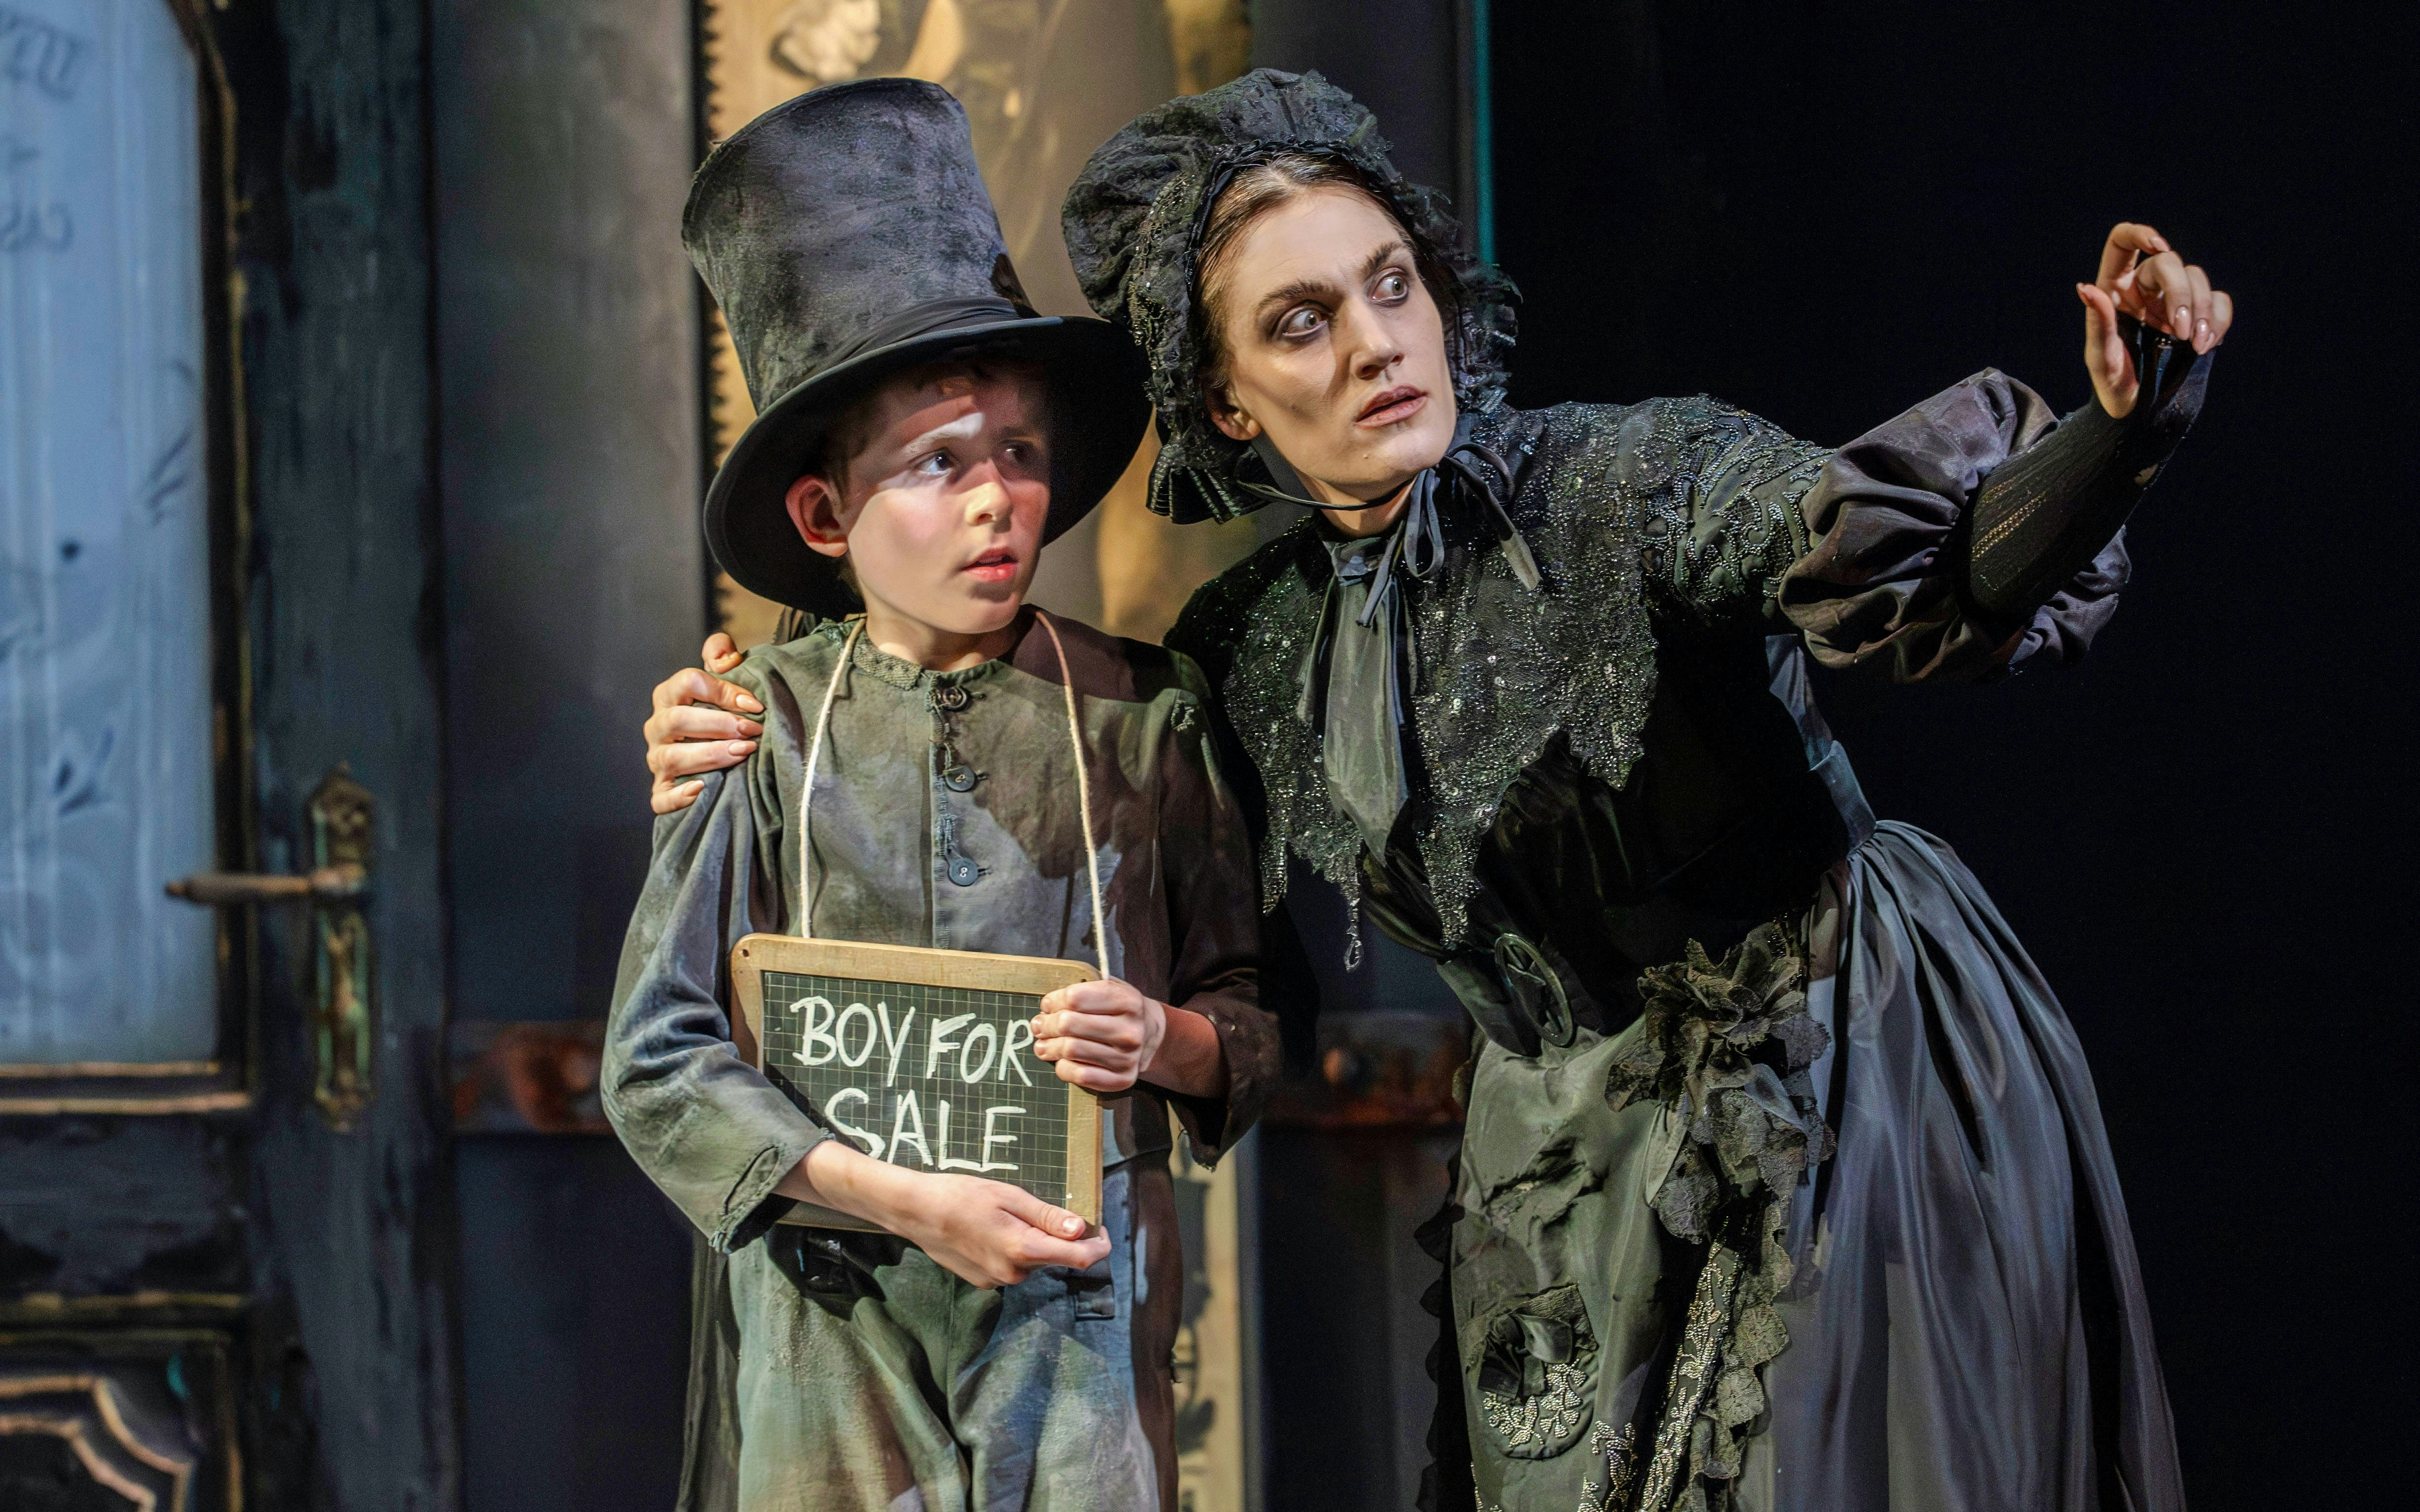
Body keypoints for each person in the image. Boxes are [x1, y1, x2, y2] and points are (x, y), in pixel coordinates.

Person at [651, 69, 2225, 1512]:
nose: (1375, 345)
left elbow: (1916, 556)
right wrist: (744, 710)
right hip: (1560, 1149)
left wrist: (2119, 436)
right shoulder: (1247, 649)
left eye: (1389, 285)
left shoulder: (1631, 483)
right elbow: (1001, 737)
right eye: (1300, 323)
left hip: (1838, 1071)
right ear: (1227, 406)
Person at [606, 78, 1278, 1512]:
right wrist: (900, 1199)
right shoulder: (762, 729)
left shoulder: (1148, 714)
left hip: (1075, 1325)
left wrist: (1164, 1036)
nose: (995, 502)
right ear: (825, 514)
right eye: (938, 464)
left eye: (1019, 456)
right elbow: (658, 1060)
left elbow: (1255, 1021)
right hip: (832, 1317)